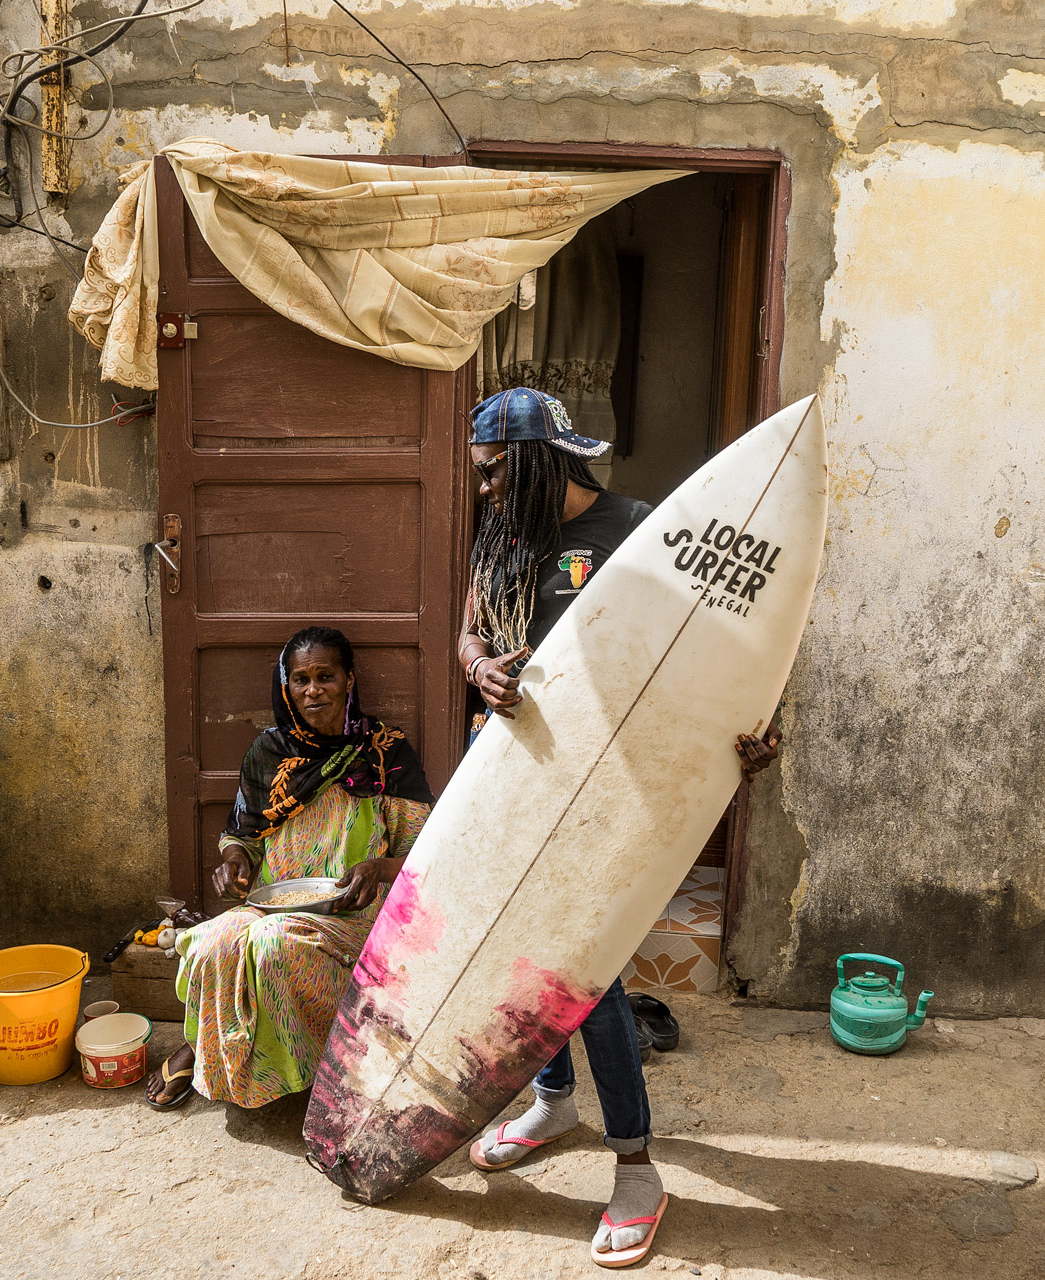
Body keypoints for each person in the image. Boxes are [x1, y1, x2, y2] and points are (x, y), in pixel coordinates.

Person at [457, 387, 781, 1267]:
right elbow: (471, 630)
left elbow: (723, 640)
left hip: (613, 789)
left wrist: (744, 727)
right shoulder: (503, 535)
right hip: (515, 780)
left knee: (587, 972)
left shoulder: (643, 529)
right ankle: (555, 1097)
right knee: (529, 952)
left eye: (492, 473)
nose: (481, 490)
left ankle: (636, 1165)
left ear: (533, 463)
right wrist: (482, 668)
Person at [146, 626, 434, 1111]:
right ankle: (207, 1048)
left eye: (326, 676)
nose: (313, 689)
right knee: (214, 941)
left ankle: (312, 1072)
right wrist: (234, 862)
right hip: (273, 902)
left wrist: (380, 868)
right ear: (287, 686)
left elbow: (427, 850)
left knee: (271, 944)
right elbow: (243, 835)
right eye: (301, 679)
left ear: (349, 680)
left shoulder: (385, 752)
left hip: (351, 917)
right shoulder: (268, 753)